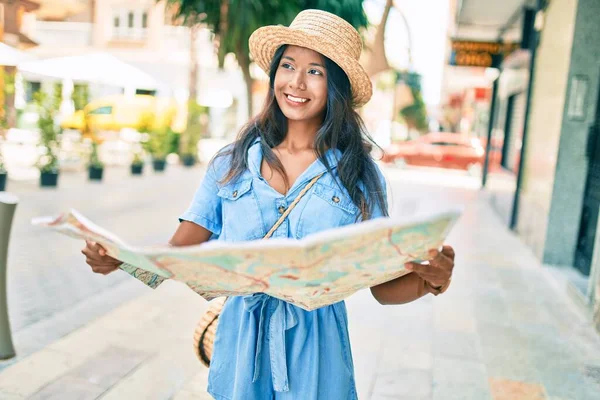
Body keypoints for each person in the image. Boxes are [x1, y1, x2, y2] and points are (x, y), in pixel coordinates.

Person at [81, 9, 455, 400]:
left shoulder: (359, 174)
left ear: (337, 87)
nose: (296, 82)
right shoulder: (232, 162)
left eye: (315, 71)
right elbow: (179, 251)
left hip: (319, 360)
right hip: (240, 353)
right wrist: (120, 259)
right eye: (288, 65)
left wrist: (432, 280)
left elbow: (383, 288)